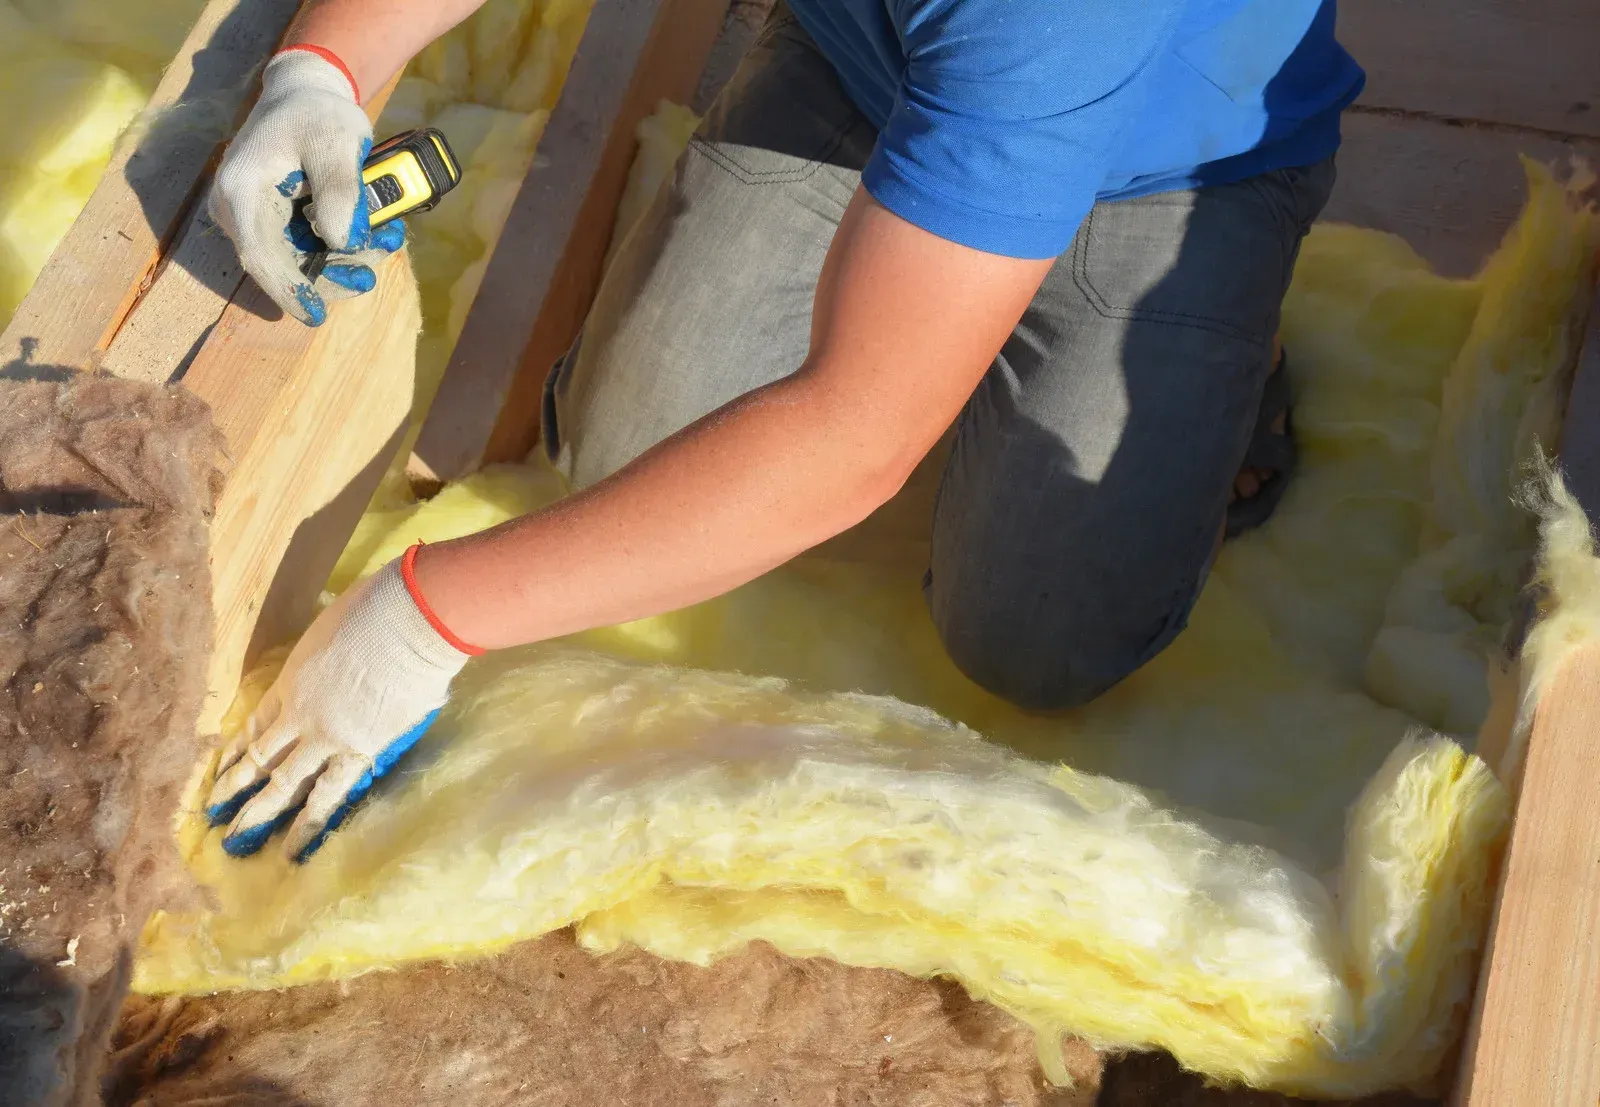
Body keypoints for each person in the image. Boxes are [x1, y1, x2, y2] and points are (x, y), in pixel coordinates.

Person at [203, 0, 1365, 860]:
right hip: (870, 66)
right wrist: (322, 72)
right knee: (627, 465)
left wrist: (421, 620)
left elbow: (856, 440)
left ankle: (1225, 354)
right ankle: (937, 270)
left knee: (1042, 637)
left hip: (1167, 165)